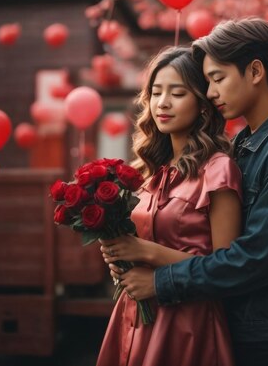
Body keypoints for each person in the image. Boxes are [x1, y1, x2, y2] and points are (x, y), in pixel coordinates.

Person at [110, 18, 268, 366]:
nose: (211, 93)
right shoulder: (246, 143)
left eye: (218, 79)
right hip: (231, 325)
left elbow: (251, 262)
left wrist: (159, 281)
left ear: (255, 71)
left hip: (263, 341)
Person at [96, 46, 243, 366]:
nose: (162, 103)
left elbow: (226, 268)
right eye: (156, 92)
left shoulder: (218, 170)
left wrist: (144, 251)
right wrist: (119, 255)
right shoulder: (152, 169)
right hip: (135, 313)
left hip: (186, 323)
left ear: (202, 106)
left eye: (177, 93)